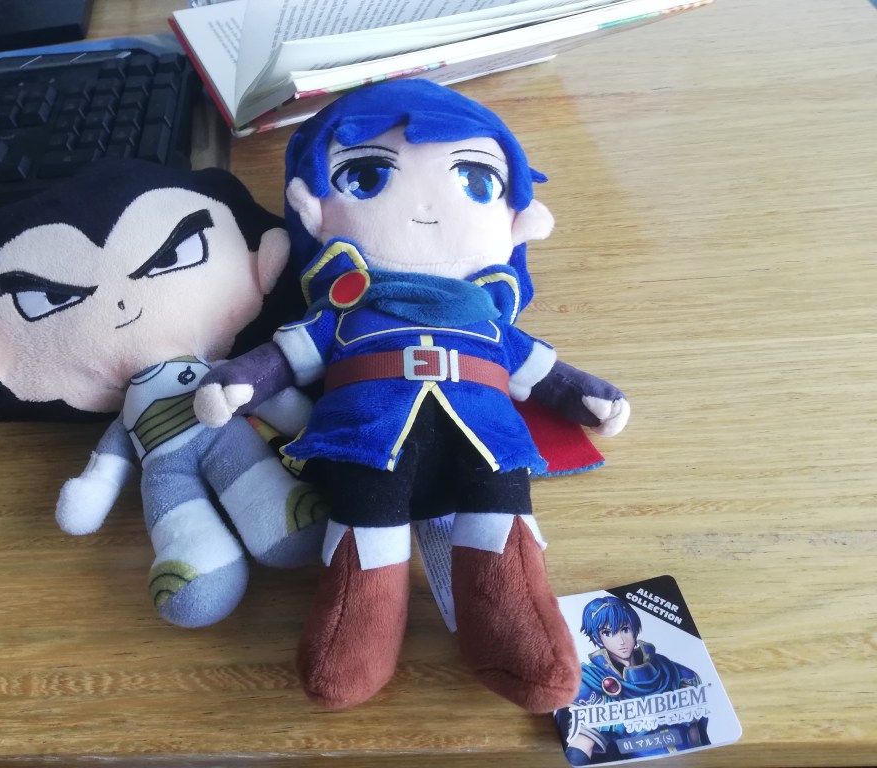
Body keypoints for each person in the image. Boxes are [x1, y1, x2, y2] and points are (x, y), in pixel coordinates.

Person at [194, 80, 630, 711]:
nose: (427, 208)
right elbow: (284, 358)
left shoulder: (489, 323)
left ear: (519, 219)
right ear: (313, 209)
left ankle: (517, 637)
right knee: (364, 537)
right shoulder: (343, 314)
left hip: (486, 446)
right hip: (369, 445)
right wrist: (239, 380)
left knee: (504, 527)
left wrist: (585, 395)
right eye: (367, 177)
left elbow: (543, 373)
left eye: (475, 182)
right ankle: (357, 642)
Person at [0, 161, 326, 628]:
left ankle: (282, 516)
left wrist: (309, 422)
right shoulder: (129, 412)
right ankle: (196, 565)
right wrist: (93, 489)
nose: (121, 303)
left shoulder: (212, 372)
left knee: (256, 485)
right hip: (163, 469)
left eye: (170, 257)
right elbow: (113, 455)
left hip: (224, 440)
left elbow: (255, 388)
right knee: (178, 514)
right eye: (52, 298)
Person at [562, 596, 710, 764]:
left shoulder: (672, 672)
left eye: (625, 629)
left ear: (634, 629)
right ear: (597, 638)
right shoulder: (592, 682)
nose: (621, 641)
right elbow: (581, 746)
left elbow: (695, 737)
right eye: (608, 633)